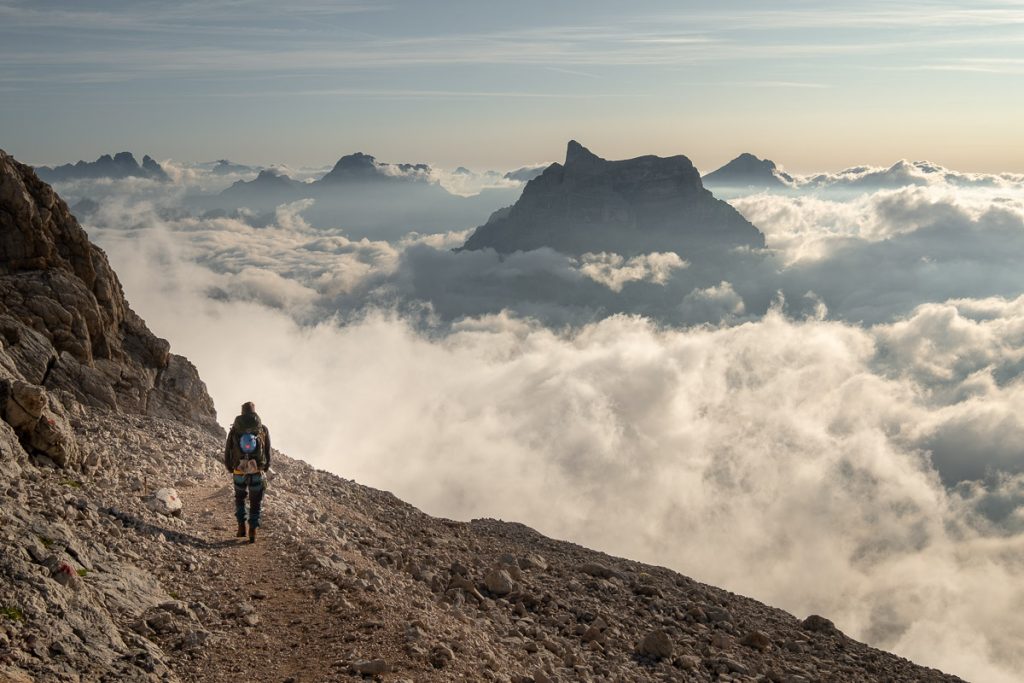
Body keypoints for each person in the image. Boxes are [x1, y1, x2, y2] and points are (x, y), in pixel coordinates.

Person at [224, 401, 271, 543]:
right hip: (256, 469)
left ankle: (241, 528)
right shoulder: (262, 428)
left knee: (240, 498)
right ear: (254, 411)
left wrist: (230, 467)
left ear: (242, 412)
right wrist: (265, 466)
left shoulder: (235, 429)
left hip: (239, 469)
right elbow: (267, 449)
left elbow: (228, 449)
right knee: (256, 501)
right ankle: (253, 531)